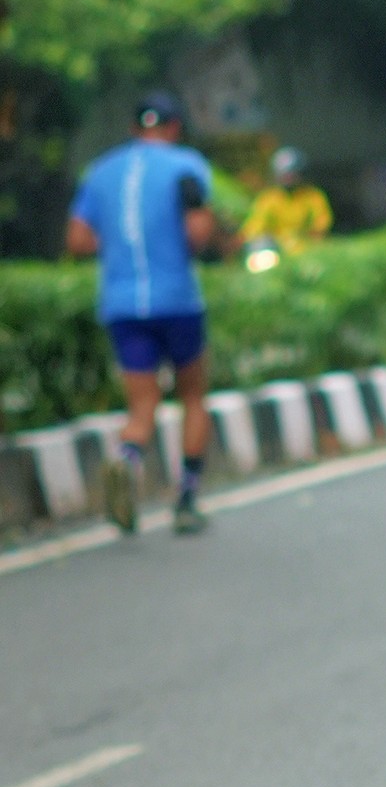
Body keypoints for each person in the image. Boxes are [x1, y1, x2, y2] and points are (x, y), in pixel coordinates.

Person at [65, 88, 218, 536]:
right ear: (174, 128)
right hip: (177, 300)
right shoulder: (186, 166)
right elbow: (198, 234)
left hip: (122, 303)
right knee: (193, 396)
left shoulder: (100, 171)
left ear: (134, 128)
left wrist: (119, 245)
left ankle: (126, 456)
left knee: (142, 404)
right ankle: (186, 498)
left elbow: (77, 240)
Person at [241, 147, 333, 257]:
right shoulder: (268, 198)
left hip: (306, 247)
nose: (287, 179)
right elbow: (255, 226)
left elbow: (321, 224)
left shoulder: (313, 196)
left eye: (291, 175)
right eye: (283, 175)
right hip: (276, 249)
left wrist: (309, 238)